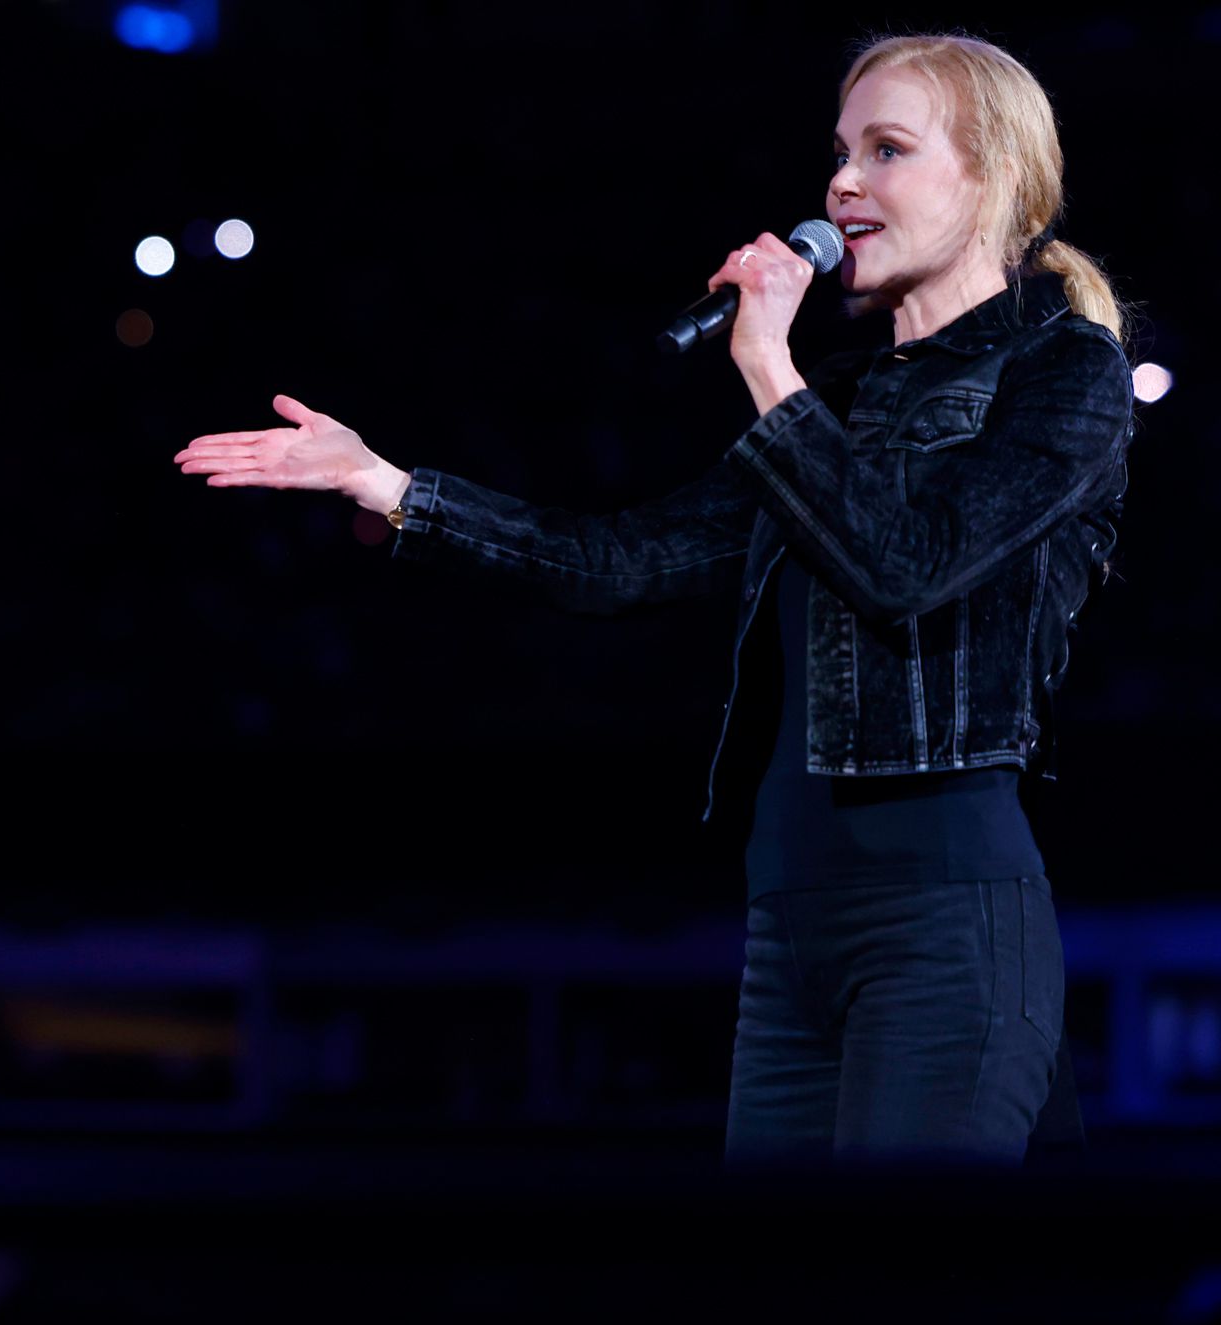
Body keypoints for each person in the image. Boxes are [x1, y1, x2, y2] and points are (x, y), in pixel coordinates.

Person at [173, 34, 1134, 1165]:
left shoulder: (1061, 374)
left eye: (885, 150)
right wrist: (385, 484)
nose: (839, 183)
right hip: (788, 930)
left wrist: (768, 368)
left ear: (994, 180)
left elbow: (908, 566)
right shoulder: (835, 403)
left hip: (941, 926)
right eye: (837, 152)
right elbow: (620, 563)